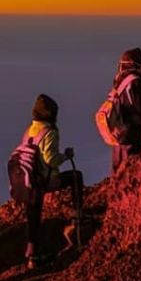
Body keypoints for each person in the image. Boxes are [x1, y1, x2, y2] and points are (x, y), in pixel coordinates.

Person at [23, 94, 85, 269]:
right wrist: (66, 156)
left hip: (28, 183)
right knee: (76, 177)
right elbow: (51, 159)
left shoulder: (30, 131)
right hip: (45, 181)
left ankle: (32, 256)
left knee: (33, 219)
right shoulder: (48, 132)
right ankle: (78, 215)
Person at [107, 48, 141, 172]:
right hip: (130, 129)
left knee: (117, 164)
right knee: (130, 165)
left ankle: (115, 188)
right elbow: (139, 105)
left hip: (117, 128)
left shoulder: (119, 79)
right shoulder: (135, 80)